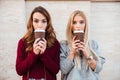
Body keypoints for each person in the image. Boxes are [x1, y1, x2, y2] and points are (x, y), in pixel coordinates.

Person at [16, 6, 60, 80]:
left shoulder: (55, 43)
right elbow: (19, 70)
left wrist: (43, 54)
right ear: (31, 22)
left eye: (43, 21)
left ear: (47, 23)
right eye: (36, 21)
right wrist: (34, 54)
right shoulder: (23, 42)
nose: (40, 25)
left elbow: (55, 70)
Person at [60, 10, 105, 80]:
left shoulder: (93, 44)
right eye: (74, 22)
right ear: (71, 26)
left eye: (81, 22)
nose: (78, 26)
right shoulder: (64, 45)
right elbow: (64, 70)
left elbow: (99, 68)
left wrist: (86, 53)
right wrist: (72, 52)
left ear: (85, 25)